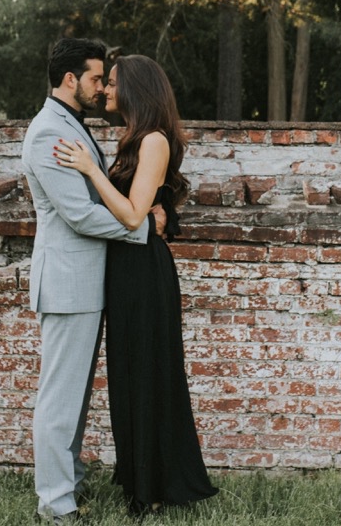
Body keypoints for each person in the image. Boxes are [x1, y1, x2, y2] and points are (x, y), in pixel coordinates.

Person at [53, 53, 219, 515]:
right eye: (101, 81)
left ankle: (156, 489)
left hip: (145, 272)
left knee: (149, 377)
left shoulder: (154, 142)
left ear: (136, 89)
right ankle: (139, 482)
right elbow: (138, 210)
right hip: (124, 272)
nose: (104, 89)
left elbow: (129, 216)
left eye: (111, 82)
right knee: (129, 378)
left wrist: (89, 170)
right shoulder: (132, 141)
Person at [21, 38, 160, 525]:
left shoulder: (70, 125)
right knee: (59, 399)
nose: (103, 88)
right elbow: (79, 215)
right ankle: (57, 507)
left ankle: (70, 485)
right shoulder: (47, 133)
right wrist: (142, 228)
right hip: (66, 283)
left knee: (74, 398)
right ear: (70, 80)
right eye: (97, 78)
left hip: (84, 282)